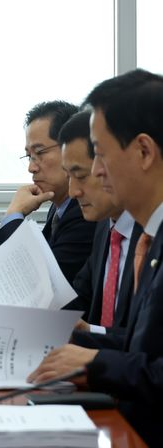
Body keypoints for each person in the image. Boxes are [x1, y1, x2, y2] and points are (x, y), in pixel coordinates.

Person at [28, 69, 163, 446]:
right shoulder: (150, 237)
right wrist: (76, 345)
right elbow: (140, 349)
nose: (96, 171)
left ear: (143, 152)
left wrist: (96, 363)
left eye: (100, 155)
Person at [0, 101, 96, 283]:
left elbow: (40, 283)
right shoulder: (60, 207)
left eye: (40, 153)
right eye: (29, 156)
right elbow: (40, 267)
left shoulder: (85, 212)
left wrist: (13, 215)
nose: (31, 168)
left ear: (71, 149)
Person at [59, 111, 142, 336]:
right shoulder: (105, 226)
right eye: (68, 177)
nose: (72, 192)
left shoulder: (151, 235)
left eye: (81, 176)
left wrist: (91, 333)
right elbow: (79, 298)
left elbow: (150, 341)